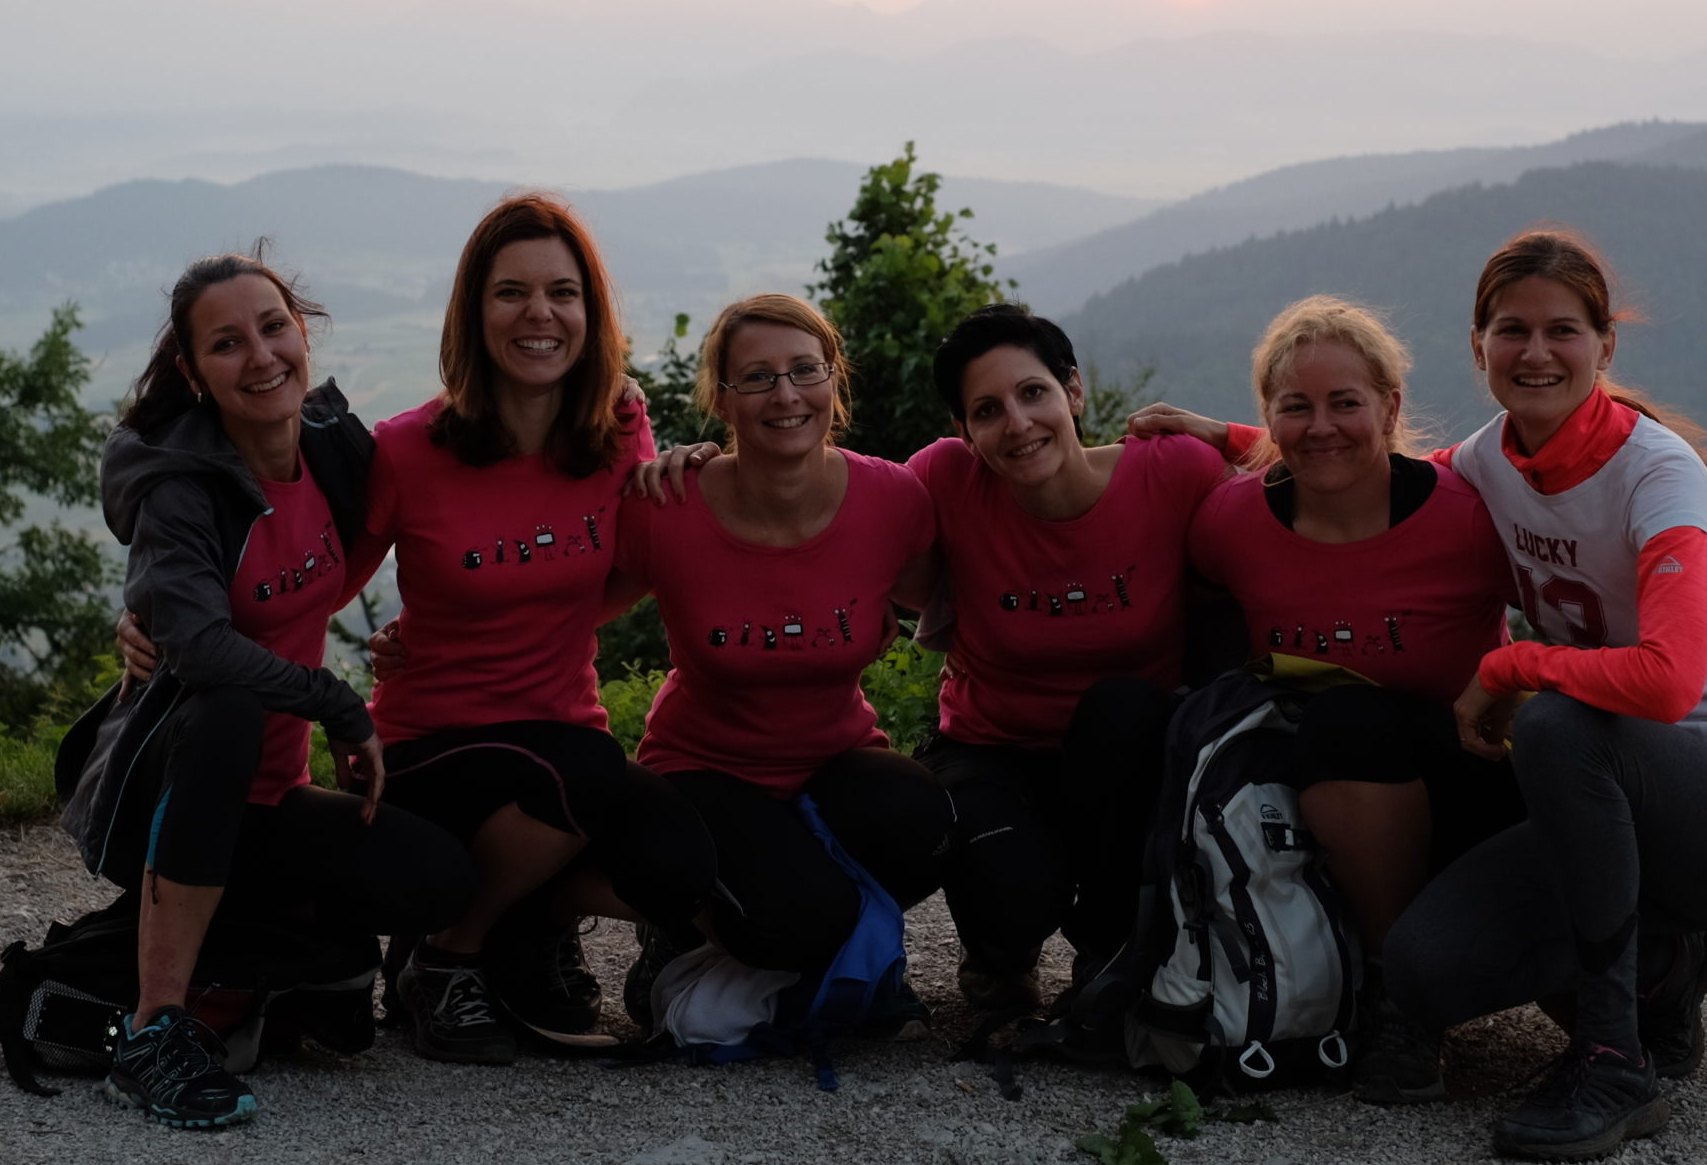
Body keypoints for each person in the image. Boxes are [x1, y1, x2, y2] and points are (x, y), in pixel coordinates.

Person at [1383, 228, 1707, 1160]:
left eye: (1562, 331)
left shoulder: (1656, 472)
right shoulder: (1489, 460)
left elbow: (1667, 683)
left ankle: (1612, 1058)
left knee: (1555, 725)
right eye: (1512, 330)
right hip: (1619, 803)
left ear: (1604, 345)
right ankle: (1665, 974)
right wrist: (1223, 437)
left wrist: (1511, 664)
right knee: (1421, 969)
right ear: (1478, 346)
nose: (1536, 353)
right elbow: (1365, 469)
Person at [62, 250, 475, 1127]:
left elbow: (447, 490)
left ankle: (239, 959)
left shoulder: (331, 447)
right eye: (226, 343)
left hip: (273, 798)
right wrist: (336, 700)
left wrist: (637, 420)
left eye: (274, 326)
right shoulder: (179, 487)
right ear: (193, 372)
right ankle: (152, 1028)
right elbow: (204, 651)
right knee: (229, 705)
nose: (260, 356)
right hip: (167, 786)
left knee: (437, 881)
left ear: (303, 331)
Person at [358, 195, 717, 1063]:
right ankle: (447, 960)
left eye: (562, 291)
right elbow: (313, 575)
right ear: (474, 314)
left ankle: (523, 923)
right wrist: (168, 612)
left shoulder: (618, 428)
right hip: (431, 748)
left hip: (560, 752)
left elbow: (634, 562)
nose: (539, 314)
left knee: (679, 867)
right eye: (511, 292)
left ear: (590, 315)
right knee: (588, 773)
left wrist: (709, 483)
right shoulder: (407, 449)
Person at [1154, 295, 1525, 1103]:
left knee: (1353, 720)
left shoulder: (1468, 518)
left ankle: (1406, 996)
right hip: (1309, 791)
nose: (1321, 425)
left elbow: (1585, 597)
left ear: (1391, 407)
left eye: (1346, 402)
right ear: (1269, 417)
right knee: (1329, 725)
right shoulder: (1232, 521)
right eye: (1297, 406)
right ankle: (1376, 983)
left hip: (1468, 782)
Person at [618, 293, 950, 1016]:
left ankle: (822, 936)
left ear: (835, 380)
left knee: (925, 820)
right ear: (723, 400)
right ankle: (683, 929)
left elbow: (964, 602)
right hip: (703, 771)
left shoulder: (892, 499)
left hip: (835, 764)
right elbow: (565, 608)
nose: (787, 394)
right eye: (758, 378)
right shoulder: (668, 507)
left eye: (806, 369)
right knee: (796, 916)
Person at [909, 304, 1231, 1011]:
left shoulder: (1172, 472)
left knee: (1125, 705)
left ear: (1073, 391)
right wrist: (715, 464)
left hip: (1130, 759)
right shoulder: (945, 480)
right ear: (964, 431)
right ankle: (1001, 951)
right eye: (987, 410)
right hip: (990, 748)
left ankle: (1111, 947)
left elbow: (1320, 460)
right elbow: (833, 496)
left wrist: (1232, 433)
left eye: (1033, 393)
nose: (1018, 424)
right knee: (1014, 901)